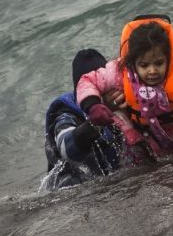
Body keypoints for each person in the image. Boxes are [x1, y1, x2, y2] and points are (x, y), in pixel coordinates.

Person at [76, 14, 173, 158]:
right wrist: (93, 106)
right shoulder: (119, 72)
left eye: (159, 63)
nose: (152, 71)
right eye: (144, 65)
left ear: (169, 58)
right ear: (132, 62)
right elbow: (87, 81)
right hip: (134, 145)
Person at [43, 49, 130, 189]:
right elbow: (66, 148)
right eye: (97, 87)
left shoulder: (118, 101)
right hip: (68, 195)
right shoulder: (65, 113)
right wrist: (97, 120)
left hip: (110, 187)